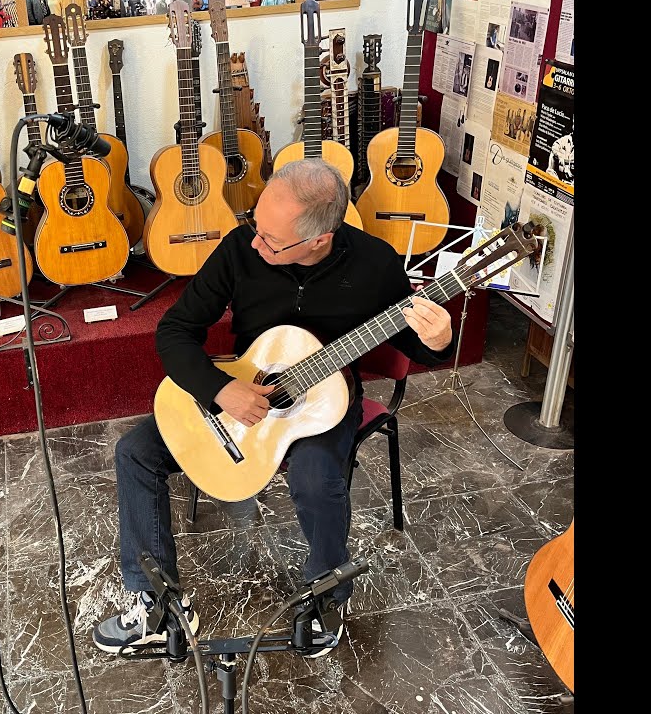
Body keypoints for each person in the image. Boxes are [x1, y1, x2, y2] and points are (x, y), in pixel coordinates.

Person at [92, 159, 455, 657]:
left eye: (271, 240)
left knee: (315, 477)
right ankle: (154, 602)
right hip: (244, 382)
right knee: (135, 452)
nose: (255, 245)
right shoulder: (243, 247)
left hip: (328, 397)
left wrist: (439, 339)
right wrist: (220, 388)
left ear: (320, 238)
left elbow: (414, 343)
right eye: (256, 228)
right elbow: (175, 330)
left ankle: (328, 594)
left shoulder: (375, 263)